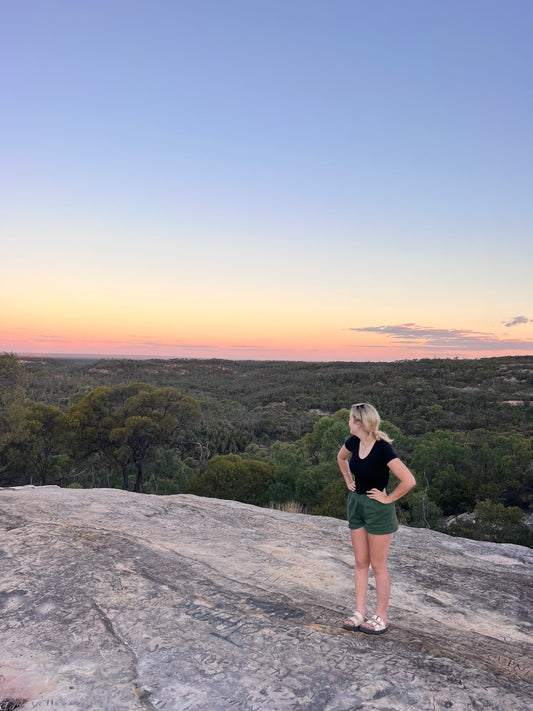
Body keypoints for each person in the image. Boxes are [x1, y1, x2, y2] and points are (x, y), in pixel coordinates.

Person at [337, 402, 416, 635]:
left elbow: (409, 480)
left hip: (377, 509)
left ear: (359, 422)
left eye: (351, 418)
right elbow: (341, 459)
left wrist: (389, 499)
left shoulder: (382, 449)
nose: (348, 422)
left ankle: (381, 616)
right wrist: (347, 479)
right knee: (361, 561)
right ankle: (360, 612)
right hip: (357, 504)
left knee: (378, 565)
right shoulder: (353, 442)